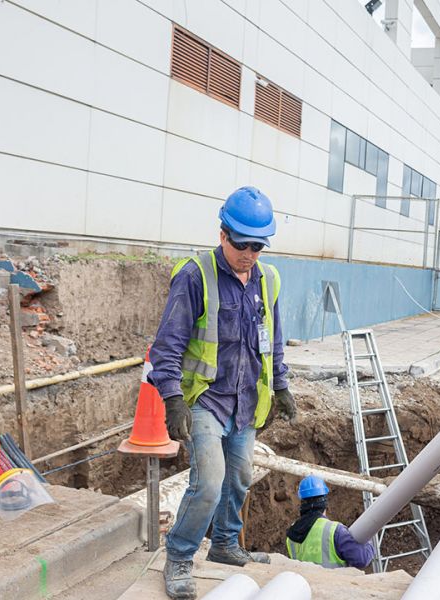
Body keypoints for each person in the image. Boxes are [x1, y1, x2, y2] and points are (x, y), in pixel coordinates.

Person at [150, 186, 297, 600]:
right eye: (241, 243)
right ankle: (179, 556)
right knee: (209, 482)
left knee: (240, 477)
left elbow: (275, 340)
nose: (249, 253)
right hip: (205, 400)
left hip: (248, 400)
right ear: (222, 234)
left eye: (257, 245)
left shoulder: (268, 279)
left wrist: (282, 387)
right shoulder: (195, 275)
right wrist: (172, 398)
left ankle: (226, 544)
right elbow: (168, 345)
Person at [285, 476, 375, 570]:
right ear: (324, 502)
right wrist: (368, 542)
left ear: (302, 502)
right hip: (333, 583)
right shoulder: (334, 531)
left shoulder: (291, 534)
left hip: (307, 584)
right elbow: (362, 559)